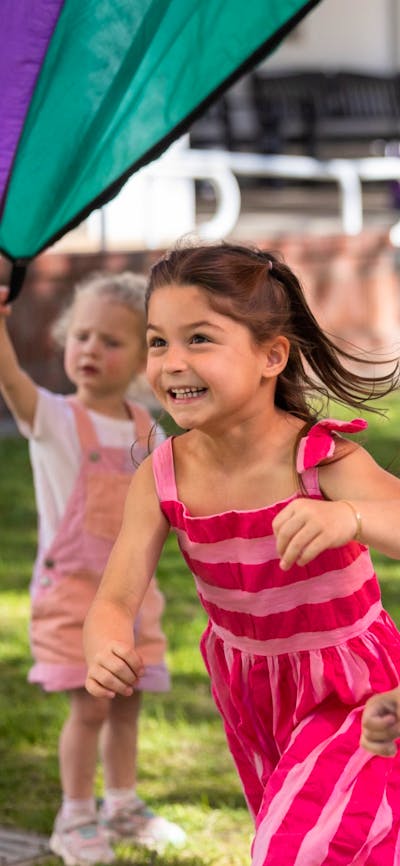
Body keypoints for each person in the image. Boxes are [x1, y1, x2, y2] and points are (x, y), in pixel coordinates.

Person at [84, 242, 400, 865]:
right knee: (331, 837)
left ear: (271, 356)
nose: (173, 362)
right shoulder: (164, 475)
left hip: (356, 692)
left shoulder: (317, 457)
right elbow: (117, 595)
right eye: (157, 342)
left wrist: (351, 517)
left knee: (295, 849)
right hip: (251, 694)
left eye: (199, 339)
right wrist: (104, 641)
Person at [0, 273, 186, 866]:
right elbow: (9, 377)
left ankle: (123, 804)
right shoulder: (51, 418)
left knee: (126, 703)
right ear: (63, 340)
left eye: (111, 341)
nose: (90, 350)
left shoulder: (148, 428)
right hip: (75, 599)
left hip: (134, 598)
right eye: (81, 336)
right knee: (90, 706)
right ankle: (75, 816)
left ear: (141, 356)